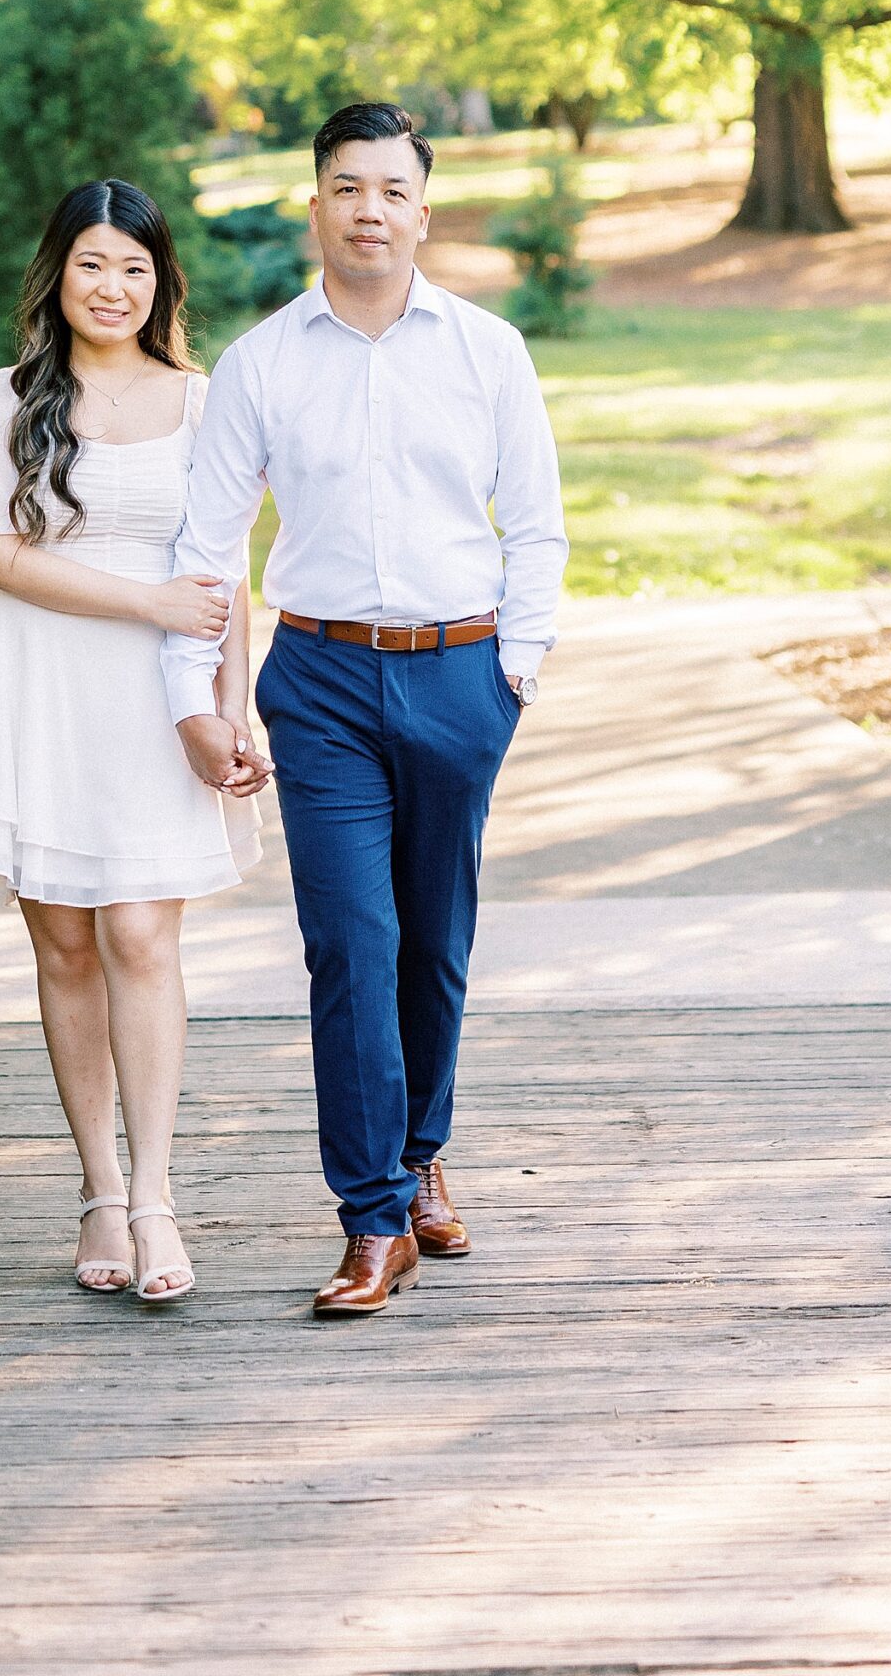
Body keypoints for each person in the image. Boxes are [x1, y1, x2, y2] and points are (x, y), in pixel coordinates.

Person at [163, 102, 567, 1317]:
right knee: (352, 942)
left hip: (460, 673)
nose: (370, 210)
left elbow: (536, 523)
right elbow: (206, 547)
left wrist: (516, 672)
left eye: (392, 190)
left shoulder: (488, 350)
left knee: (434, 941)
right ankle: (373, 1215)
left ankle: (424, 1146)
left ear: (422, 209)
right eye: (347, 188)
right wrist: (197, 699)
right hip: (323, 682)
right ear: (316, 206)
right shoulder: (261, 364)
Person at [0, 179, 266, 1304]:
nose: (112, 287)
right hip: (43, 691)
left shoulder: (206, 402)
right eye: (91, 264)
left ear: (160, 280)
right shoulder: (8, 396)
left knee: (141, 937)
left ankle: (159, 1198)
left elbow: (225, 582)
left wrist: (234, 708)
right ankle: (99, 1192)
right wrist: (146, 603)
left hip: (155, 706)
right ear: (56, 274)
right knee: (65, 942)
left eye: (134, 267)